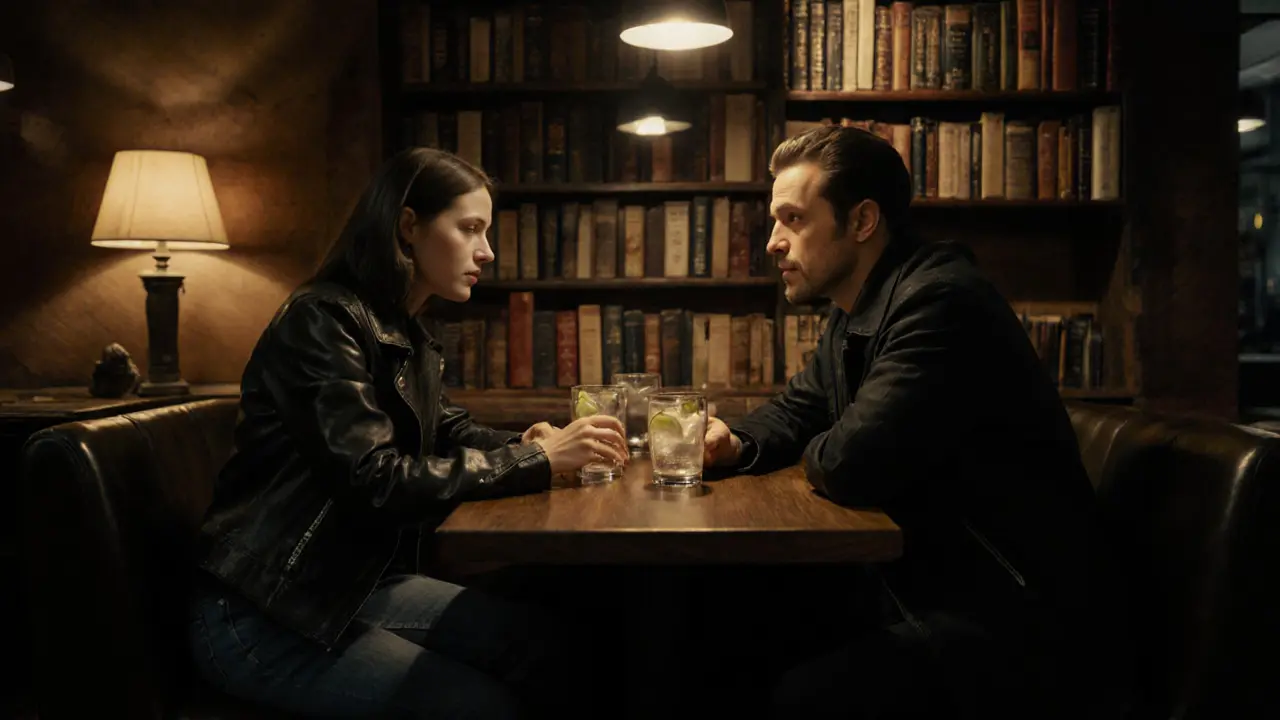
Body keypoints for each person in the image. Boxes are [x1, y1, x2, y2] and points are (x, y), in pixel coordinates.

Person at [702, 126, 1132, 718]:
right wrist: (736, 442)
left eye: (793, 219)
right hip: (924, 580)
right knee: (725, 627)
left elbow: (850, 463)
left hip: (1015, 612)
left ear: (862, 221)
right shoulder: (858, 306)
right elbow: (801, 406)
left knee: (793, 687)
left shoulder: (939, 302)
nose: (773, 242)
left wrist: (826, 438)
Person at [187, 147, 628, 719]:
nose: (486, 251)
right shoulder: (322, 321)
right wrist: (540, 458)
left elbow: (449, 429)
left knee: (547, 644)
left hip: (352, 585)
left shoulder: (405, 333)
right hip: (262, 609)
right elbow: (374, 479)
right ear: (408, 226)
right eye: (470, 228)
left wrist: (528, 444)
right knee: (479, 705)